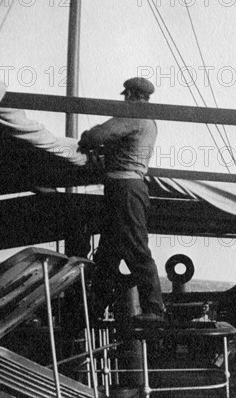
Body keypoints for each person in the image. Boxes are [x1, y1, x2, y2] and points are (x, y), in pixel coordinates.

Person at [78, 77, 164, 321]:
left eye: (126, 95)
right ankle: (94, 309)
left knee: (136, 248)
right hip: (127, 187)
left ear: (131, 95)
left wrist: (87, 139)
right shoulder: (149, 119)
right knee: (108, 254)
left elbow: (95, 137)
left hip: (124, 189)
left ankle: (154, 310)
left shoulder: (133, 113)